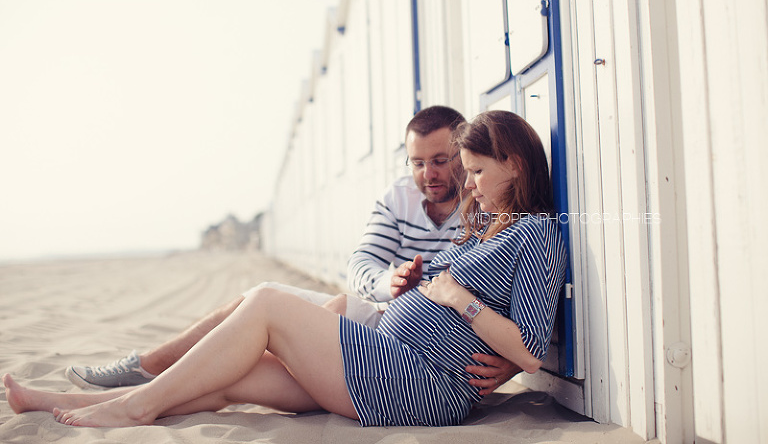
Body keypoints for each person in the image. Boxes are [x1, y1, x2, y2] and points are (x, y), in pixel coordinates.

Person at [4, 110, 567, 428]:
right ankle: (72, 404)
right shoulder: (488, 227)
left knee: (268, 306)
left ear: (514, 165)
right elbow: (369, 266)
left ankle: (135, 403)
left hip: (418, 383)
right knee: (235, 375)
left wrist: (456, 299)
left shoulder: (536, 233)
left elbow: (530, 351)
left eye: (474, 171)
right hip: (391, 360)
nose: (467, 184)